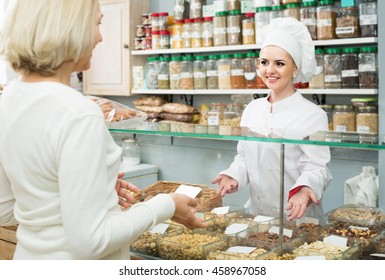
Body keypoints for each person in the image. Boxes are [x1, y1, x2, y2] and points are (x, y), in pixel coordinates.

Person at [0, 0, 205, 260]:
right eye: (97, 23)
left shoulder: (9, 98)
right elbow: (91, 242)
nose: (100, 36)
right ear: (69, 27)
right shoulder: (79, 113)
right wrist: (166, 204)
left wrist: (97, 192)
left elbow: (5, 209)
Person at [212, 17, 332, 221]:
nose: (270, 70)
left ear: (295, 68)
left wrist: (305, 190)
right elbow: (244, 157)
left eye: (280, 63)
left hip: (297, 216)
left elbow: (317, 167)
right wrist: (234, 175)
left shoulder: (312, 115)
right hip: (257, 214)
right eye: (264, 62)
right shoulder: (252, 109)